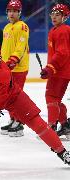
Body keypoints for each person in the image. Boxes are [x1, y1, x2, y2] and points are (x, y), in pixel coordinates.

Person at [40, 4, 70, 140]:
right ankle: (65, 125)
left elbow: (62, 53)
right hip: (61, 71)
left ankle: (51, 128)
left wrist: (50, 67)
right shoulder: (56, 30)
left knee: (51, 97)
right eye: (52, 14)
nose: (54, 16)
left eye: (58, 14)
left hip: (59, 71)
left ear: (65, 17)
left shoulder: (62, 31)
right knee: (56, 100)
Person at [1, 0, 30, 137]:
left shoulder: (22, 26)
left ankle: (19, 122)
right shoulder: (6, 28)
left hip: (18, 68)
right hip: (7, 68)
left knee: (16, 96)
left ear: (19, 13)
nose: (12, 13)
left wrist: (14, 60)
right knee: (9, 96)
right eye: (9, 11)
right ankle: (13, 119)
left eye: (14, 11)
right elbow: (4, 48)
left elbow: (21, 46)